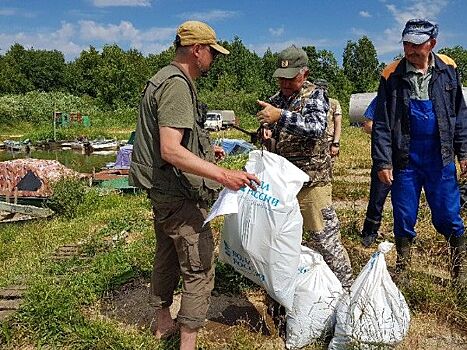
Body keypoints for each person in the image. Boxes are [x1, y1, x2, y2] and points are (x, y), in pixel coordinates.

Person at [129, 20, 259, 350]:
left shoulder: (162, 78)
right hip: (178, 194)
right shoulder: (176, 85)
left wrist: (204, 150)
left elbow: (175, 140)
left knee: (167, 254)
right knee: (199, 266)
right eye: (211, 53)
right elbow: (170, 149)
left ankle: (163, 324)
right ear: (197, 50)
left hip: (162, 191)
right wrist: (223, 175)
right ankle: (188, 344)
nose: (212, 60)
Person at [372, 18, 467, 292]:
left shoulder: (448, 69)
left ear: (432, 44)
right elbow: (381, 123)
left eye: (417, 45)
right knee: (403, 215)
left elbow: (459, 114)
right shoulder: (391, 75)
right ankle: (403, 272)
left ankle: (459, 272)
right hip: (405, 159)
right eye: (406, 44)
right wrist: (383, 160)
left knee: (449, 215)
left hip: (440, 157)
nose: (411, 50)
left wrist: (464, 152)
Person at [257, 45, 353, 289]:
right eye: (281, 78)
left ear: (305, 73)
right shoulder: (275, 100)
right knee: (283, 240)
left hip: (312, 182)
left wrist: (281, 117)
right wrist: (265, 132)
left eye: (290, 78)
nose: (285, 83)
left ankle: (347, 291)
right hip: (283, 184)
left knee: (324, 239)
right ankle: (287, 292)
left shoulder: (315, 96)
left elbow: (316, 128)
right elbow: (268, 132)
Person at [360, 96, 391, 247]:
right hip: (385, 157)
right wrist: (387, 132)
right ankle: (370, 232)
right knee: (377, 198)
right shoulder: (381, 99)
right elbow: (368, 125)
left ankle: (403, 235)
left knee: (405, 201)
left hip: (409, 159)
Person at [314, 79, 342, 160]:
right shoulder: (309, 103)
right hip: (312, 143)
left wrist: (335, 143)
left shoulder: (333, 103)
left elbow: (338, 124)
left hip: (328, 142)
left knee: (328, 170)